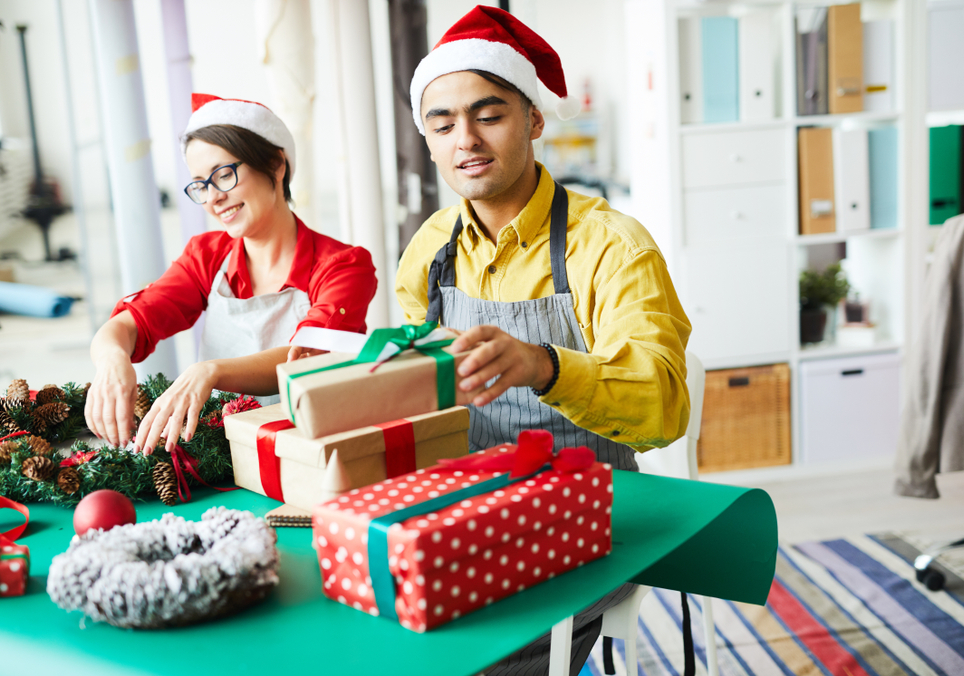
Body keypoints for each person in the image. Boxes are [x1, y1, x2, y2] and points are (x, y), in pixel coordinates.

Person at [395, 6, 690, 674]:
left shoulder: (611, 246)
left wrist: (543, 365)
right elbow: (417, 392)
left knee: (476, 657)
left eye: (488, 114)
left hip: (593, 519)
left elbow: (665, 404)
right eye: (442, 123)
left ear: (532, 120)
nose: (465, 138)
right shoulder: (429, 250)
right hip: (467, 508)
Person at [87, 94, 377, 457]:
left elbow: (307, 356)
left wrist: (210, 371)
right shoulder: (208, 256)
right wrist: (112, 359)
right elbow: (131, 324)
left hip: (307, 452)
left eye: (223, 175)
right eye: (200, 185)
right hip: (220, 453)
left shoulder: (343, 266)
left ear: (275, 164)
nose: (213, 199)